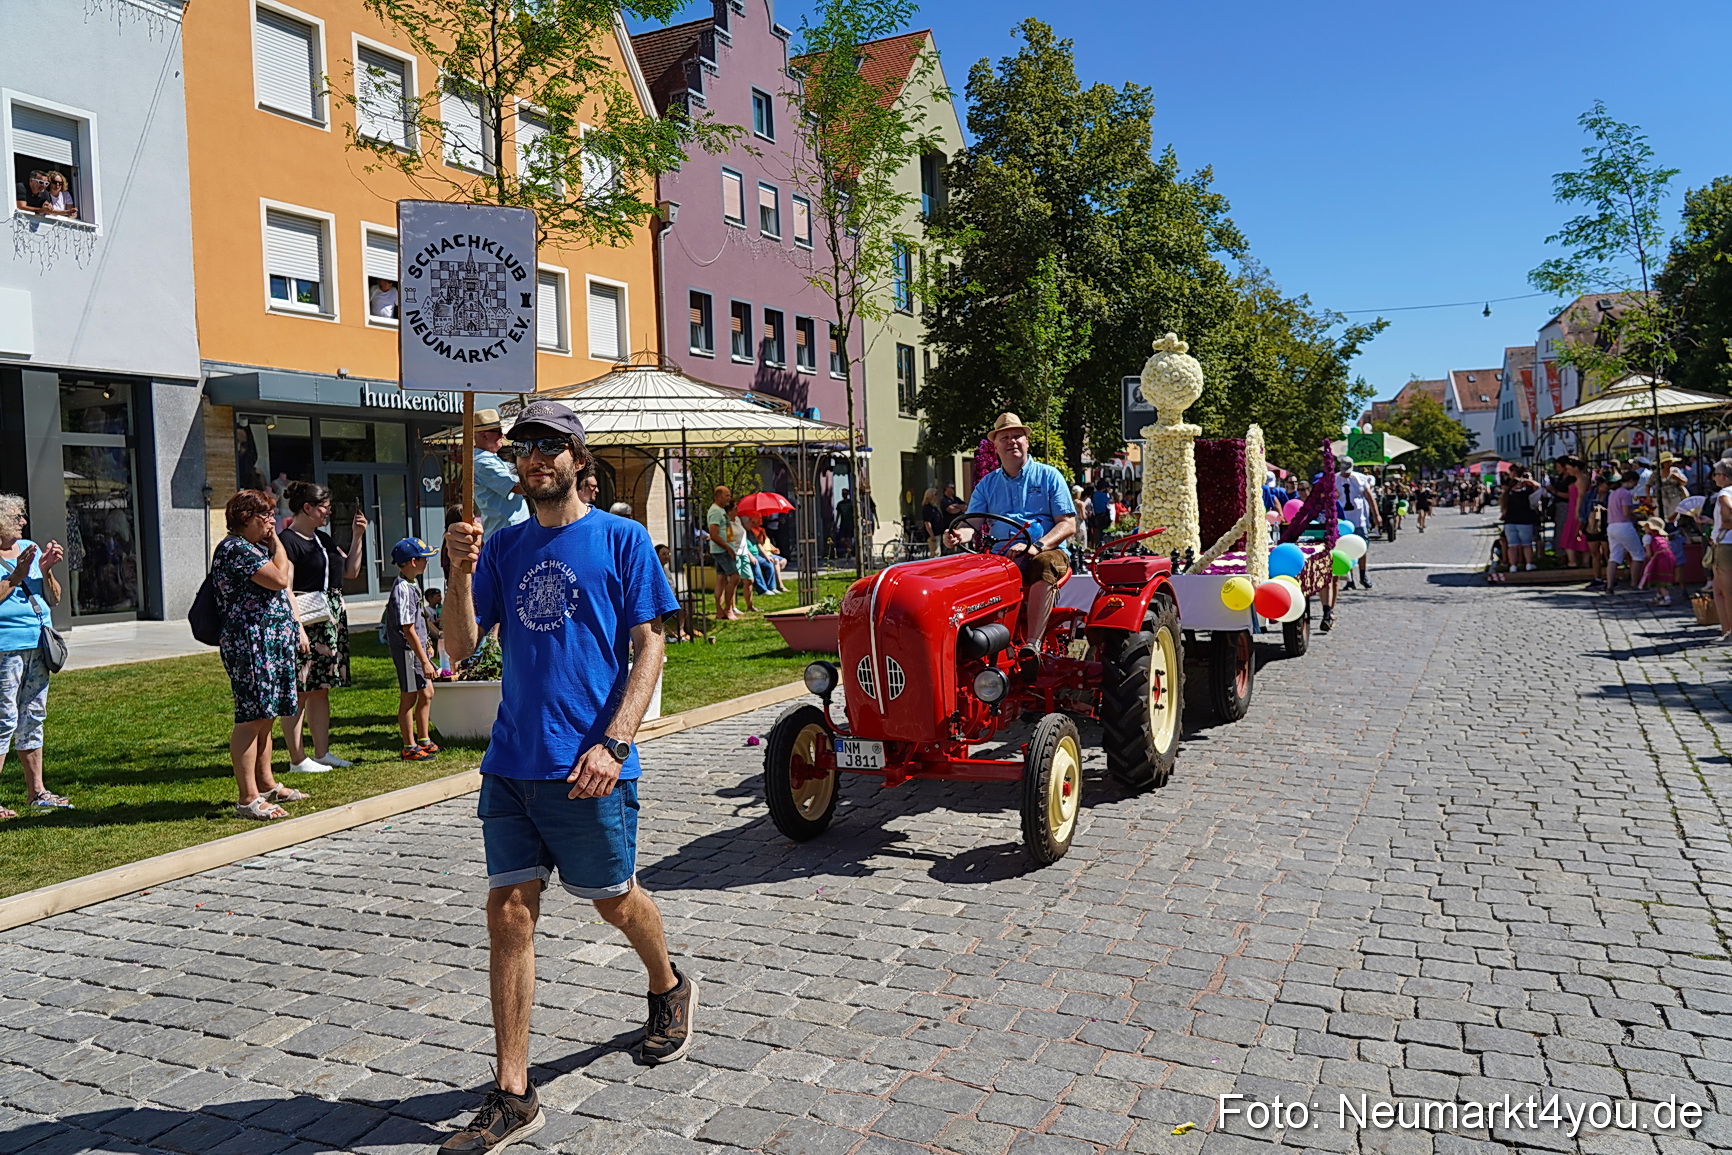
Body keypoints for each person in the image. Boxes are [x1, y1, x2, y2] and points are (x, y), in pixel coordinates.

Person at [438, 400, 687, 1152]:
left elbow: (650, 647)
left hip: (590, 766)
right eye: (524, 448)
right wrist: (458, 570)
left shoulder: (622, 538)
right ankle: (514, 1092)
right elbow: (459, 645)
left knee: (615, 899)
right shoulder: (504, 547)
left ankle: (668, 984)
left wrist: (613, 742)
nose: (536, 457)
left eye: (551, 445)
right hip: (513, 762)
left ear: (579, 457)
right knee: (508, 911)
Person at [211, 491, 310, 821]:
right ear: (244, 519)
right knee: (251, 717)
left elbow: (283, 576)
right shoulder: (235, 548)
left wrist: (271, 544)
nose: (271, 521)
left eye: (271, 515)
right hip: (251, 644)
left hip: (270, 642)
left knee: (266, 715)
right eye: (264, 515)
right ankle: (247, 797)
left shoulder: (254, 548)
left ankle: (266, 784)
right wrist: (278, 543)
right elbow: (281, 578)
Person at [945, 413, 1076, 657]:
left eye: (1017, 436)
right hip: (1002, 556)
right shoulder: (987, 484)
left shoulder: (1049, 476)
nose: (1011, 442)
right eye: (1004, 437)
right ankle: (972, 648)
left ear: (1027, 441)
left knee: (1043, 564)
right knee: (967, 576)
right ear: (995, 447)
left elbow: (1068, 524)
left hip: (1046, 551)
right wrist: (957, 536)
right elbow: (971, 524)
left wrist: (1036, 546)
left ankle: (1032, 647)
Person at [278, 481, 367, 774]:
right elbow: (286, 589)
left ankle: (321, 753)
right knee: (300, 690)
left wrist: (358, 537)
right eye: (325, 508)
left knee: (321, 689)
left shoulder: (323, 540)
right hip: (308, 621)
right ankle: (297, 759)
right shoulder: (287, 542)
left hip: (329, 621)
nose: (328, 513)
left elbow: (351, 571)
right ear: (308, 508)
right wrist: (298, 629)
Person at [0, 494, 69, 818]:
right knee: (4, 720)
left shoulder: (29, 547)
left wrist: (46, 570)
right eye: (17, 517)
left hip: (37, 646)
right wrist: (16, 576)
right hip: (6, 648)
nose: (23, 522)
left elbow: (53, 599)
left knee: (33, 717)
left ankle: (37, 792)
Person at [387, 538, 440, 762]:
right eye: (424, 558)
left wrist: (428, 645)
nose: (427, 562)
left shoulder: (413, 584)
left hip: (418, 649)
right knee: (409, 697)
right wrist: (424, 661)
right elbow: (407, 629)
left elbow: (419, 621)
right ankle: (409, 745)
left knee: (427, 692)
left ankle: (424, 738)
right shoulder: (402, 589)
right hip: (408, 651)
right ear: (412, 561)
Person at [473, 411, 530, 540]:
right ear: (484, 435)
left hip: (509, 532)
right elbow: (519, 487)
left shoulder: (490, 459)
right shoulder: (483, 462)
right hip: (507, 534)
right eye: (498, 432)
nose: (502, 435)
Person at [1336, 457, 1380, 589]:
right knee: (1345, 548)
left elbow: (1369, 497)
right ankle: (1349, 579)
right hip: (1343, 521)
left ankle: (1363, 575)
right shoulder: (1334, 480)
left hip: (1359, 519)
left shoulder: (1360, 478)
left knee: (1362, 547)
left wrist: (1376, 514)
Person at [1605, 469, 1645, 596]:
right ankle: (1634, 584)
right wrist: (1639, 517)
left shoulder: (1613, 493)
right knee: (1638, 554)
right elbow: (1626, 512)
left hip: (1612, 526)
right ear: (1631, 481)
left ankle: (1609, 585)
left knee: (1614, 557)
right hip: (1624, 525)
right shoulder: (1626, 494)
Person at [705, 486, 741, 621]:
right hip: (722, 551)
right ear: (718, 496)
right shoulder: (715, 511)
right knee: (735, 576)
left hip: (724, 549)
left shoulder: (721, 511)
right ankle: (728, 609)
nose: (729, 498)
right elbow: (713, 535)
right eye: (726, 495)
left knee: (721, 579)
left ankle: (720, 611)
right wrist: (728, 548)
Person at [1499, 467, 1542, 573]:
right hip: (1524, 522)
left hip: (1510, 523)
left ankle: (1513, 566)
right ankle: (1529, 564)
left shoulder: (1507, 495)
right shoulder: (1526, 493)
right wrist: (1526, 480)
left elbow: (1504, 511)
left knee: (1512, 546)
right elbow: (1538, 486)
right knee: (1526, 545)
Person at [1708, 461, 1732, 642]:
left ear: (1724, 477)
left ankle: (1730, 631)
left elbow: (1728, 510)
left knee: (1727, 591)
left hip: (1726, 545)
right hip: (1723, 542)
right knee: (1719, 590)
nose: (1713, 477)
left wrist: (1726, 522)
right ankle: (1726, 629)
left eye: (1716, 473)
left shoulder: (1724, 493)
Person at [1636, 517, 1677, 605]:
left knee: (1659, 578)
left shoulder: (1647, 537)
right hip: (1669, 556)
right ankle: (1659, 595)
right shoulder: (1663, 537)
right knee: (1661, 577)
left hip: (1659, 558)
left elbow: (1649, 553)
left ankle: (1666, 597)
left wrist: (1644, 555)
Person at [920, 487, 942, 553]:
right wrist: (932, 535)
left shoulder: (934, 507)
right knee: (935, 553)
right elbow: (927, 523)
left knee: (938, 552)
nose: (937, 496)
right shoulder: (927, 508)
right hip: (933, 534)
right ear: (930, 496)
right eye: (935, 494)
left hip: (938, 533)